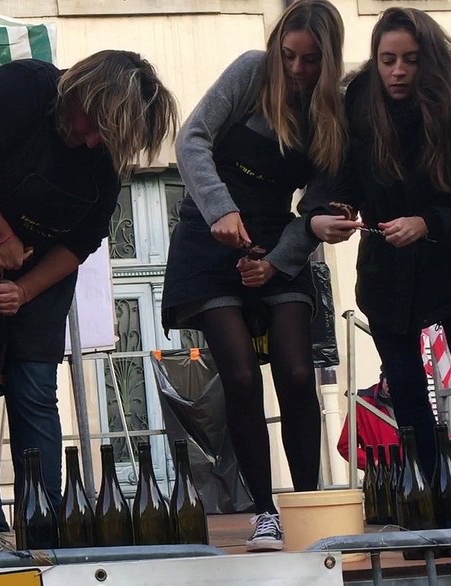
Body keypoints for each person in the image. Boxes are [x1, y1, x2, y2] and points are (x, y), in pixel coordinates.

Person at [0, 49, 176, 541]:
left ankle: (44, 522)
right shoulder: (22, 87)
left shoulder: (102, 160)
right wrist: (0, 236)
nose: (91, 142)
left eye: (105, 140)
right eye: (92, 126)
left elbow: (79, 244)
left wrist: (25, 290)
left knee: (34, 387)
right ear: (82, 92)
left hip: (37, 265)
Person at [161, 0, 345, 552]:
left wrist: (280, 260)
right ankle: (264, 511)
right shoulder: (248, 71)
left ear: (329, 60)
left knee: (294, 370)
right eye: (288, 55)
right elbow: (191, 139)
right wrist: (219, 209)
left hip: (279, 241)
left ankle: (308, 506)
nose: (296, 70)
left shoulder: (333, 116)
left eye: (311, 60)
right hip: (207, 235)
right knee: (239, 376)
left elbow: (316, 205)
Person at [312, 7, 451, 474]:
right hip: (385, 269)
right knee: (406, 390)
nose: (398, 71)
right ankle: (431, 497)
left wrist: (428, 223)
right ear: (375, 58)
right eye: (388, 59)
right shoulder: (357, 104)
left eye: (409, 59)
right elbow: (335, 178)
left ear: (427, 59)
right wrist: (333, 212)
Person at [337, 375, 398, 470]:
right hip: (381, 477)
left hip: (411, 474)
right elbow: (346, 446)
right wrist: (373, 463)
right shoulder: (362, 404)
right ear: (383, 378)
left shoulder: (415, 403)